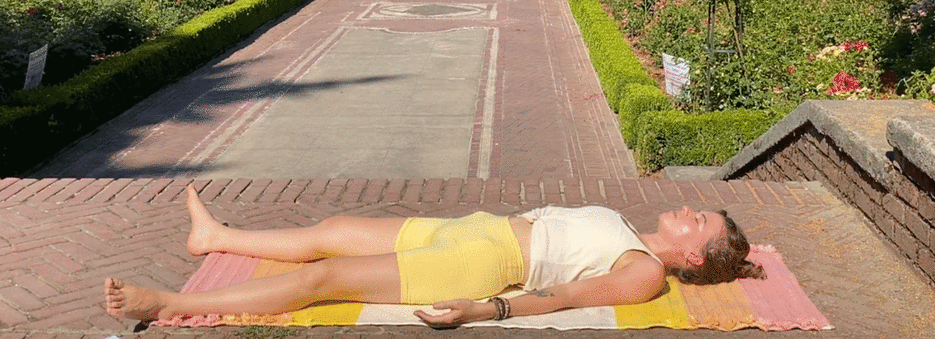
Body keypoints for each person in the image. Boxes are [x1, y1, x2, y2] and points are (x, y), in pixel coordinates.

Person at [104, 184, 765, 328]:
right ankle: (217, 238)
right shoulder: (624, 223)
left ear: (694, 256)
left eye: (697, 219)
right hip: (469, 226)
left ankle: (169, 302)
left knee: (325, 279)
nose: (686, 209)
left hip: (478, 264)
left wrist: (483, 309)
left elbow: (563, 297)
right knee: (334, 227)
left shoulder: (645, 271)